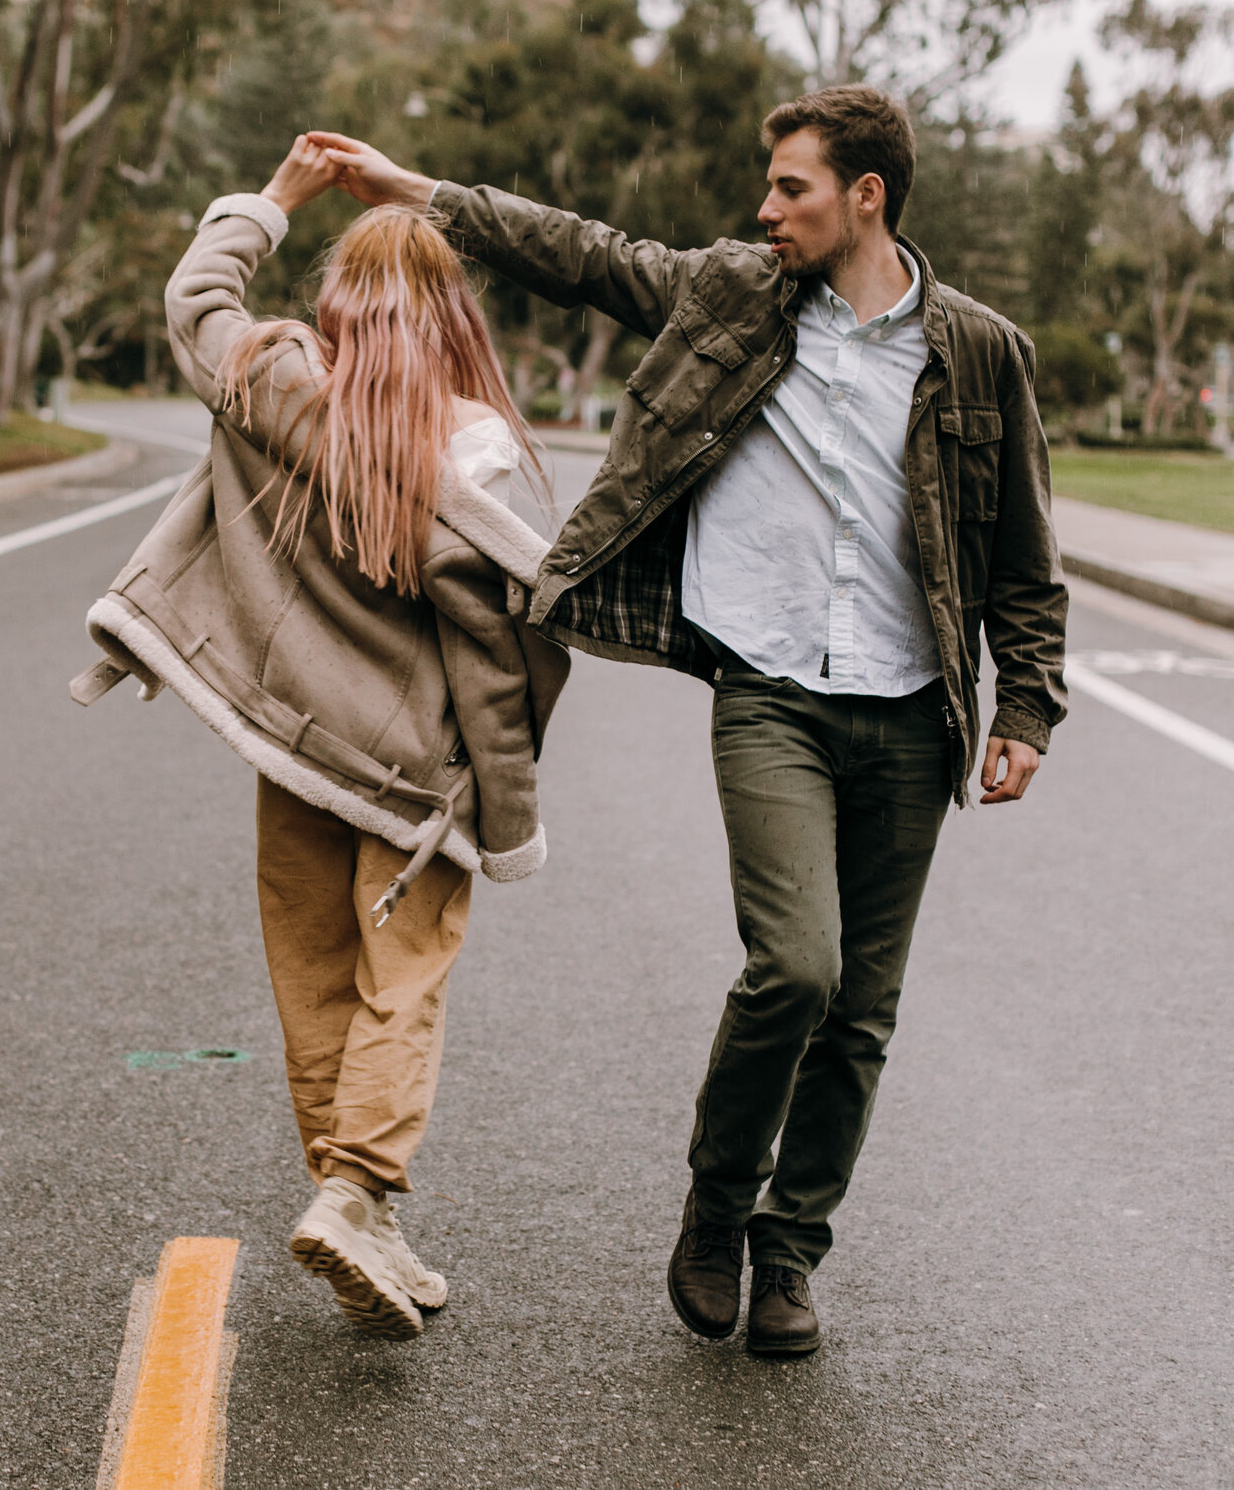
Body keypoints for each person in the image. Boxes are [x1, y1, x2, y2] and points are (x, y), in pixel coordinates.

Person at [304, 85, 1069, 1357]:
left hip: (910, 710)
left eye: (792, 190)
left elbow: (1022, 555)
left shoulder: (977, 350)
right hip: (769, 687)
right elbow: (585, 251)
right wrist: (417, 192)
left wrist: (1026, 702)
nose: (765, 209)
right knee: (799, 968)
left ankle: (789, 1251)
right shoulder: (737, 293)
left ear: (864, 198)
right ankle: (716, 1210)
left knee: (862, 1011)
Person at [69, 135, 571, 1340]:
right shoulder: (476, 461)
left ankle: (353, 1204)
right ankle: (359, 1194)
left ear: (341, 310)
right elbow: (491, 672)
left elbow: (198, 301)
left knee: (312, 982)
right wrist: (507, 816)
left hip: (294, 746)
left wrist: (277, 200)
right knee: (402, 984)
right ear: (453, 321)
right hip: (409, 784)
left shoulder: (276, 386)